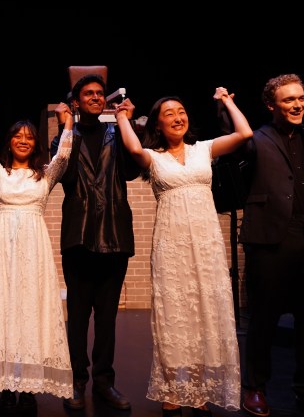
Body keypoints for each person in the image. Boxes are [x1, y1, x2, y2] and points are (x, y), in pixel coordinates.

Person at [115, 88, 251, 415]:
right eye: (169, 114)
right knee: (174, 316)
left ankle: (200, 389)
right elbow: (133, 147)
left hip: (205, 245)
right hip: (171, 243)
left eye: (181, 111)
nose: (177, 117)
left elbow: (244, 133)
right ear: (159, 125)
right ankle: (173, 388)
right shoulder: (154, 156)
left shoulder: (203, 149)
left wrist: (227, 100)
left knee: (205, 312)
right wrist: (122, 115)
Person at [0, 83, 75, 414]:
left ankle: (29, 388)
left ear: (35, 144)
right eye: (18, 135)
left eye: (30, 136)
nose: (23, 140)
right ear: (10, 141)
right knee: (4, 310)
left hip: (34, 247)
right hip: (3, 246)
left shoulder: (44, 175)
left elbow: (64, 154)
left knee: (32, 312)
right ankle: (5, 385)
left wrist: (67, 123)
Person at [50, 74, 140, 411]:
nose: (95, 97)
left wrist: (127, 123)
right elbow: (65, 174)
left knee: (106, 317)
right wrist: (66, 128)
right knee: (77, 314)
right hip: (78, 236)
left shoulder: (118, 133)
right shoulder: (65, 135)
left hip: (114, 235)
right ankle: (77, 380)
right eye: (88, 93)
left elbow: (131, 172)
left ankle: (105, 382)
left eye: (100, 93)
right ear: (75, 101)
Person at [230, 74, 304, 417]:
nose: (297, 104)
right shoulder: (256, 139)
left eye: (300, 98)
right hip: (270, 240)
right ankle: (255, 388)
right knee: (263, 320)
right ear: (271, 105)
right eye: (289, 100)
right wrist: (225, 107)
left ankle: (302, 387)